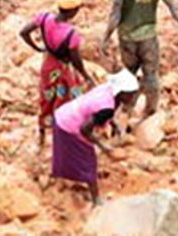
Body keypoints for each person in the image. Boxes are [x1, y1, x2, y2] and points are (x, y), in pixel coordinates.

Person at [18, 0, 95, 149]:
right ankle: (65, 137)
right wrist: (86, 76)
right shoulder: (71, 34)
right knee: (68, 100)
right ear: (73, 11)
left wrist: (37, 48)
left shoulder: (44, 18)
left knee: (46, 98)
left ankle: (42, 135)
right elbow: (76, 61)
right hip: (63, 69)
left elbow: (24, 32)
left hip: (48, 64)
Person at [51, 69, 140, 206]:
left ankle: (61, 177)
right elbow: (85, 129)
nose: (133, 98)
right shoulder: (107, 107)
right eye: (131, 94)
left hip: (63, 115)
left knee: (67, 151)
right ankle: (96, 199)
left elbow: (100, 110)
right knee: (88, 159)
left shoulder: (107, 89)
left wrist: (114, 123)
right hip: (70, 123)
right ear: (122, 93)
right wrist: (103, 146)